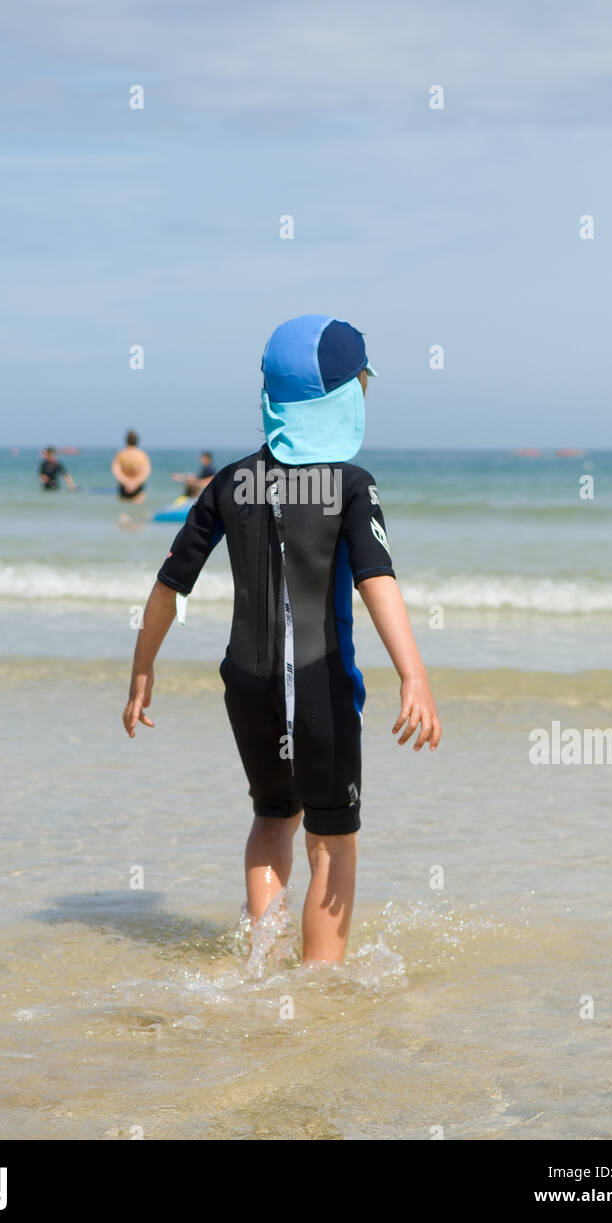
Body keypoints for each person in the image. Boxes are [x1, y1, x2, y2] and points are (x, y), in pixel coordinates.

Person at [122, 315, 441, 965]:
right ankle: (317, 990)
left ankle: (259, 965)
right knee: (331, 841)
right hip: (318, 687)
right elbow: (376, 577)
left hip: (246, 685)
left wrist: (142, 670)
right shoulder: (351, 486)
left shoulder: (230, 483)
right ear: (345, 397)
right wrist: (413, 675)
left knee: (273, 818)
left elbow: (169, 584)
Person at [112, 430, 151, 503]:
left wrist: (127, 483)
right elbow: (146, 472)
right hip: (138, 488)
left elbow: (116, 471)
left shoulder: (121, 454)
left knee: (123, 512)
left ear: (126, 440)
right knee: (139, 512)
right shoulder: (142, 455)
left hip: (124, 487)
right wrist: (135, 484)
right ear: (137, 440)